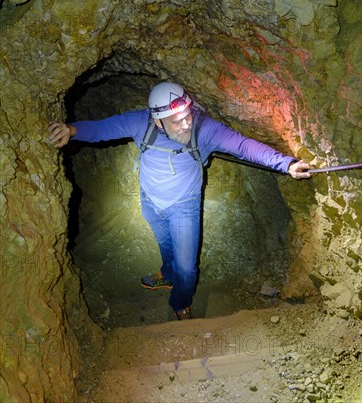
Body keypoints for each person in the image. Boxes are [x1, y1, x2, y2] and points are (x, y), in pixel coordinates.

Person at [48, 82, 312, 320]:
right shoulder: (141, 123)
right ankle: (166, 274)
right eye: (176, 121)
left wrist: (285, 163)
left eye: (187, 116)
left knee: (187, 268)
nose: (186, 124)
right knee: (164, 244)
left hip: (184, 206)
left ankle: (180, 301)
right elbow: (104, 129)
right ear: (158, 121)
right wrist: (72, 130)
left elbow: (243, 146)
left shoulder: (204, 129)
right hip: (151, 202)